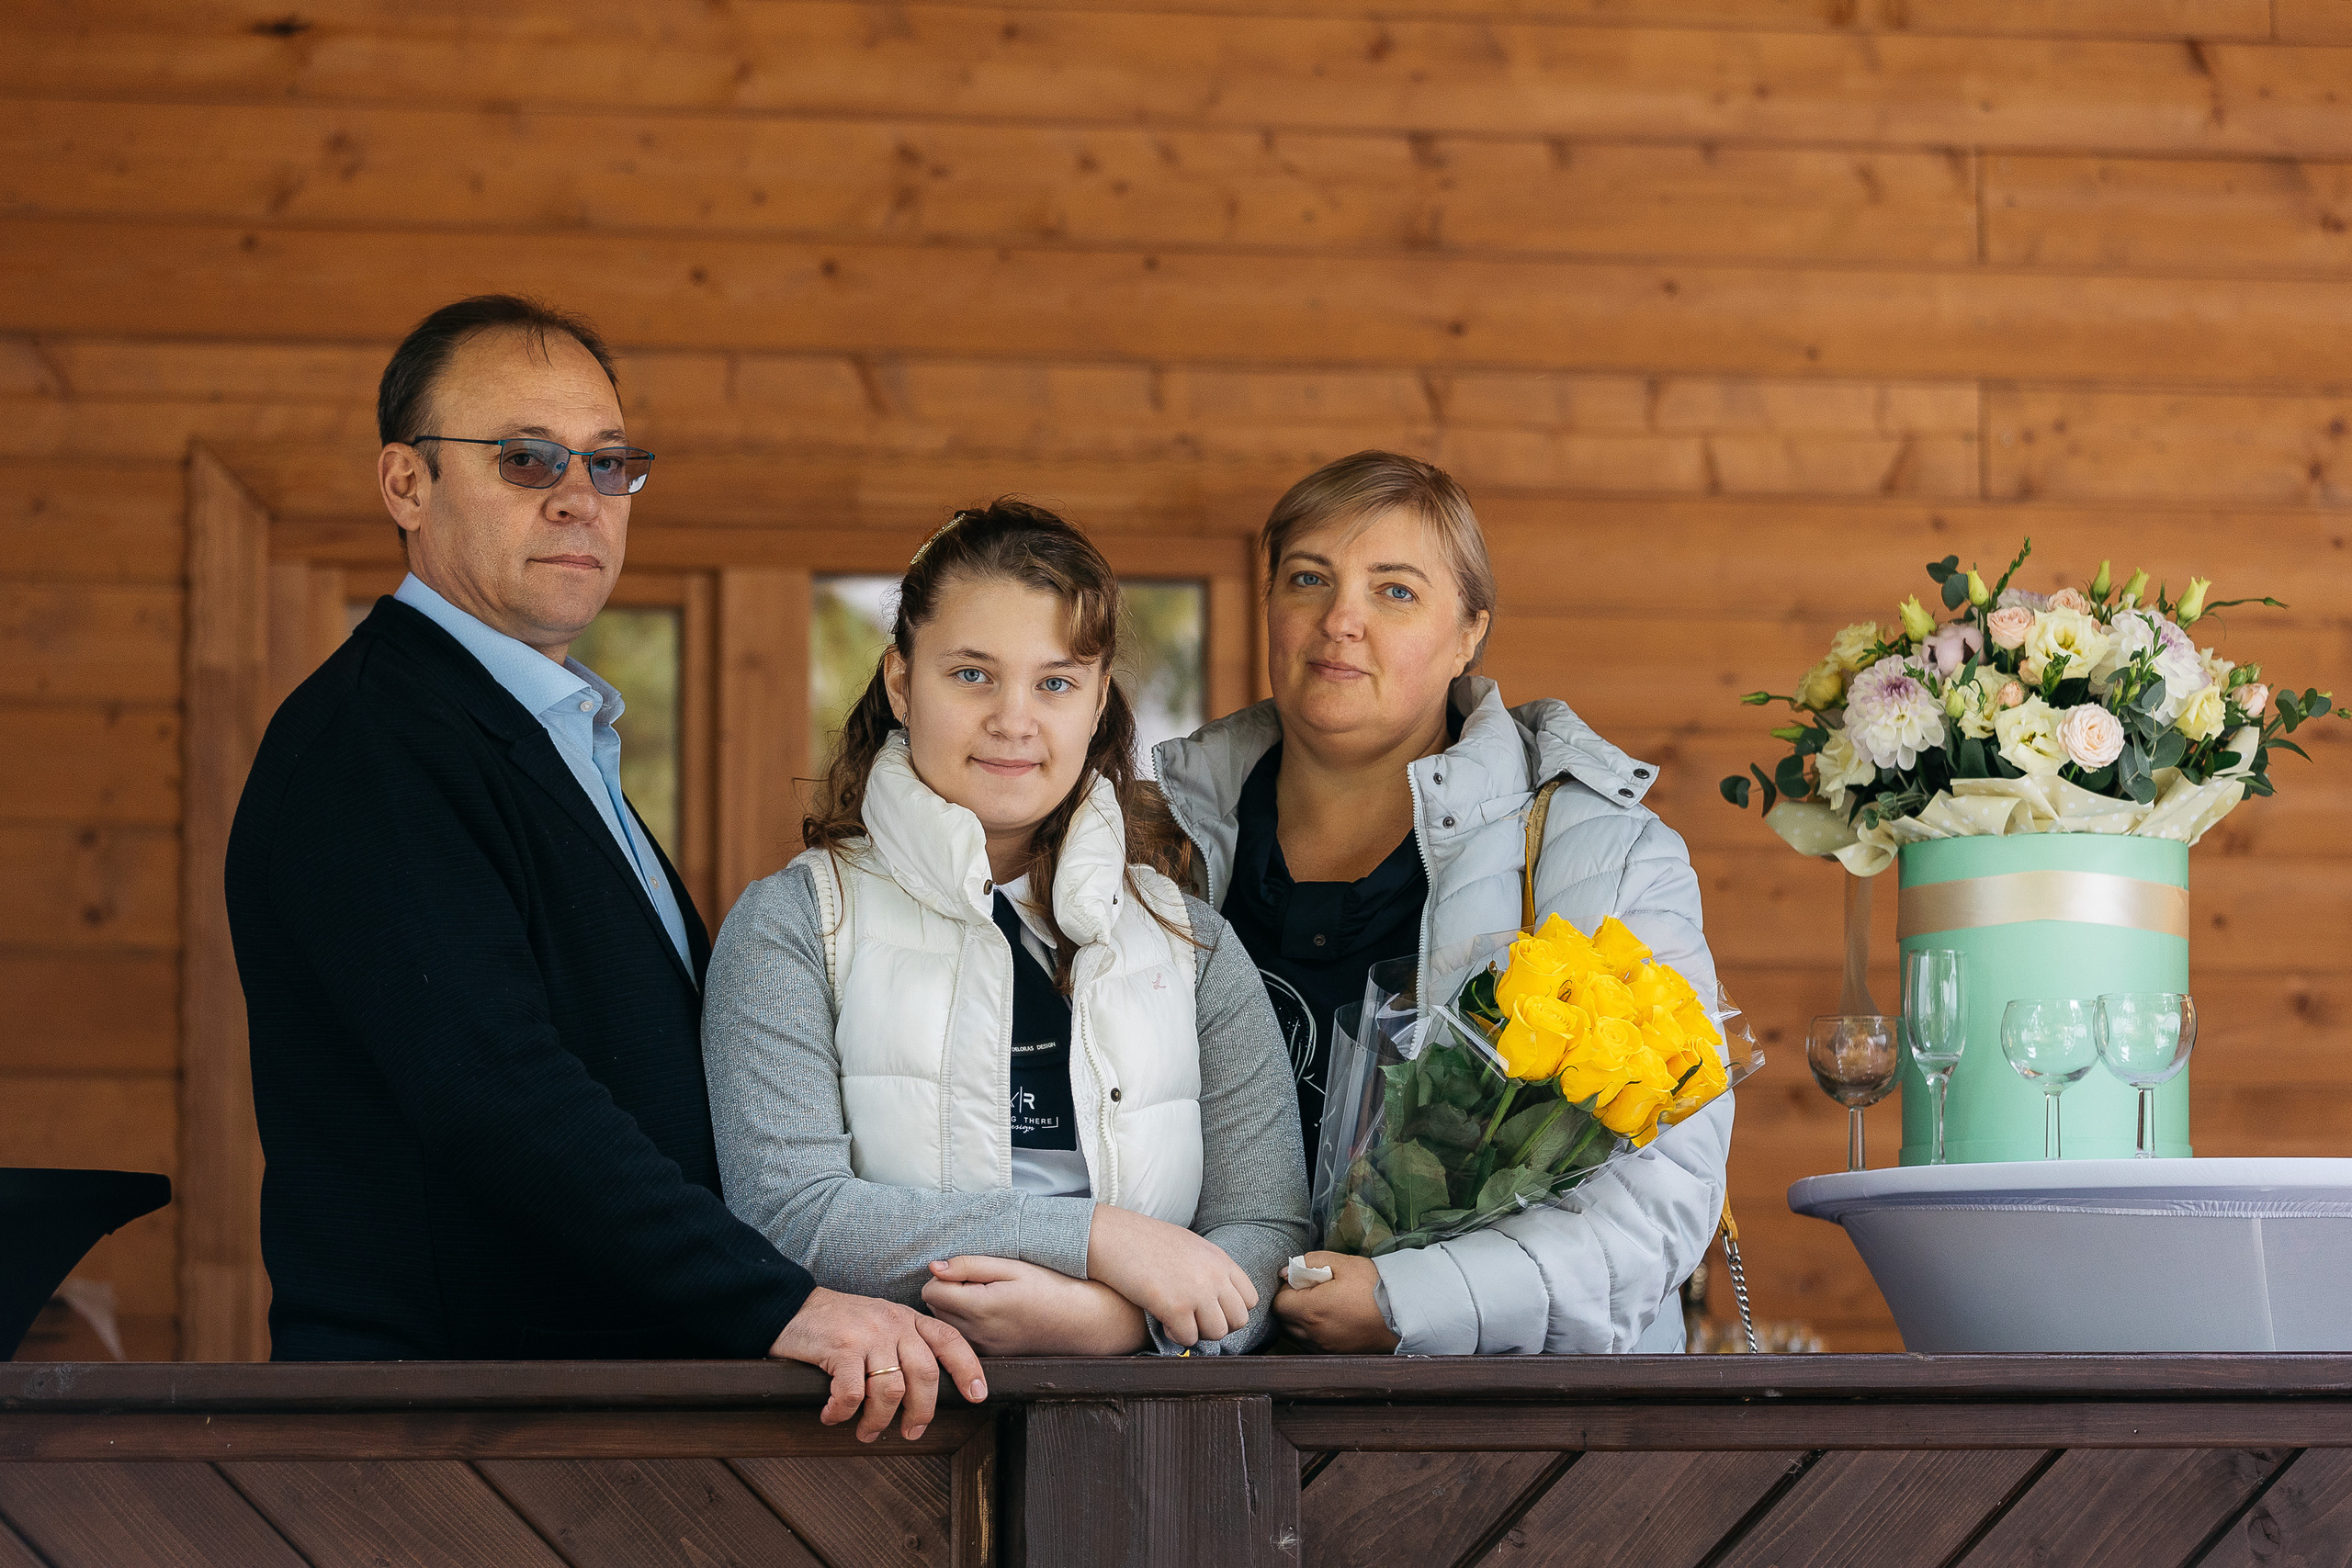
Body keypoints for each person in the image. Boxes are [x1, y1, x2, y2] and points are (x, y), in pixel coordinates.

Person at [226, 295, 983, 1442]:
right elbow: (500, 1094)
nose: (579, 496)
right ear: (406, 486)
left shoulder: (534, 733)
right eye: (525, 457)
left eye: (611, 461)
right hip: (445, 1444)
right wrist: (777, 1303)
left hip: (576, 1428)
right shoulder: (370, 744)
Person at [1153, 451, 1733, 1355]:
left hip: (1490, 1427)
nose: (1339, 620)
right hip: (1189, 1391)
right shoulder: (1142, 847)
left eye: (1394, 591)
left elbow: (1657, 1205)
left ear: (1469, 632)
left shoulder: (1599, 854)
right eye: (1309, 579)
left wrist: (1406, 1300)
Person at [702, 502, 1307, 1355]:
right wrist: (1095, 1238)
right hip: (884, 1433)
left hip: (1158, 1438)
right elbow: (788, 1215)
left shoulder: (1191, 941)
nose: (1014, 720)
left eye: (1055, 682)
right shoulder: (793, 925)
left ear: (1098, 702)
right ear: (902, 683)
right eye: (972, 675)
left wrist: (1118, 1324)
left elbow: (1269, 1224)